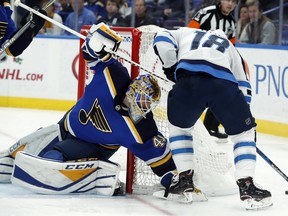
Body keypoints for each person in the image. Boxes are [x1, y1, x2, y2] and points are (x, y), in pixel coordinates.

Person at [0, 23, 176, 196]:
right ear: (132, 91)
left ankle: (95, 178)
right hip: (65, 127)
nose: (144, 108)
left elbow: (164, 165)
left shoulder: (142, 128)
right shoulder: (114, 75)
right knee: (22, 150)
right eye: (143, 101)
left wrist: (175, 180)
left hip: (93, 146)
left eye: (148, 105)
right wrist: (102, 38)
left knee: (53, 157)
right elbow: (89, 52)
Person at [153, 27, 272, 209]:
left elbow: (160, 38)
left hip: (187, 82)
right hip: (222, 85)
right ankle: (247, 185)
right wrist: (241, 120)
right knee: (243, 135)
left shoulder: (185, 32)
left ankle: (184, 180)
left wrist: (170, 67)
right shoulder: (229, 47)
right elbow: (244, 85)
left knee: (179, 129)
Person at [187, 0, 239, 140]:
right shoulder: (205, 13)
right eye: (227, 0)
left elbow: (231, 47)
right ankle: (186, 126)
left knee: (220, 91)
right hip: (197, 60)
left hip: (217, 63)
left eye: (233, 2)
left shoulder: (232, 22)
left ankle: (211, 126)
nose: (230, 3)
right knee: (194, 93)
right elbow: (189, 33)